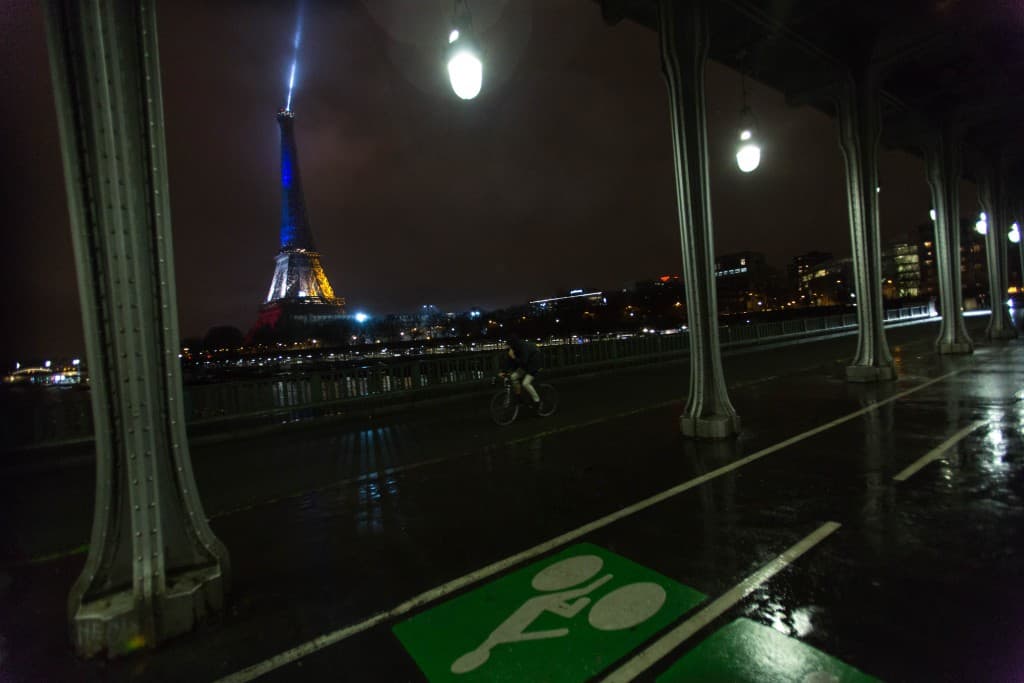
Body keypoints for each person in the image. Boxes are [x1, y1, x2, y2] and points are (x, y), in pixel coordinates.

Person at [500, 333, 543, 410]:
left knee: (525, 383)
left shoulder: (524, 347)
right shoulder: (514, 348)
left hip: (534, 364)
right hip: (525, 365)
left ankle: (537, 401)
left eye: (509, 344)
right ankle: (519, 396)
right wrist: (504, 371)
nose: (508, 346)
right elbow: (509, 361)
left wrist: (513, 357)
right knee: (513, 377)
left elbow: (523, 362)